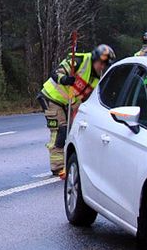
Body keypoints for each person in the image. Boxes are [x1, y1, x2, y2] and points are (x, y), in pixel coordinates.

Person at [38, 44, 116, 178]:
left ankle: (68, 162)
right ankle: (57, 167)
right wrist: (65, 79)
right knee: (60, 131)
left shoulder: (97, 79)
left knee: (71, 131)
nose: (102, 67)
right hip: (51, 97)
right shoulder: (79, 61)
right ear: (95, 59)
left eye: (105, 65)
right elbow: (56, 72)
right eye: (100, 63)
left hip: (68, 104)